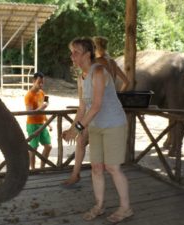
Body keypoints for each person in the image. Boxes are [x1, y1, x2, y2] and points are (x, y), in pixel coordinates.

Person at [62, 37, 133, 223]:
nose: (72, 56)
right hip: (96, 126)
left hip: (114, 124)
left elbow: (96, 106)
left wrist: (77, 129)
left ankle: (126, 208)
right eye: (71, 52)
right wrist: (71, 129)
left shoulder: (99, 71)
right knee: (96, 168)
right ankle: (99, 205)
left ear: (87, 54)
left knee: (112, 167)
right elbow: (82, 108)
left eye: (75, 52)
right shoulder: (81, 77)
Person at [25, 72, 52, 170]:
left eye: (42, 83)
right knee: (33, 148)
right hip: (32, 125)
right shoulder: (29, 95)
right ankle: (32, 169)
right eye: (39, 82)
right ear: (33, 81)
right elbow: (29, 113)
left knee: (48, 146)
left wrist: (48, 123)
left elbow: (43, 109)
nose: (41, 85)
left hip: (42, 124)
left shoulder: (42, 93)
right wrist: (41, 108)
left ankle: (42, 168)